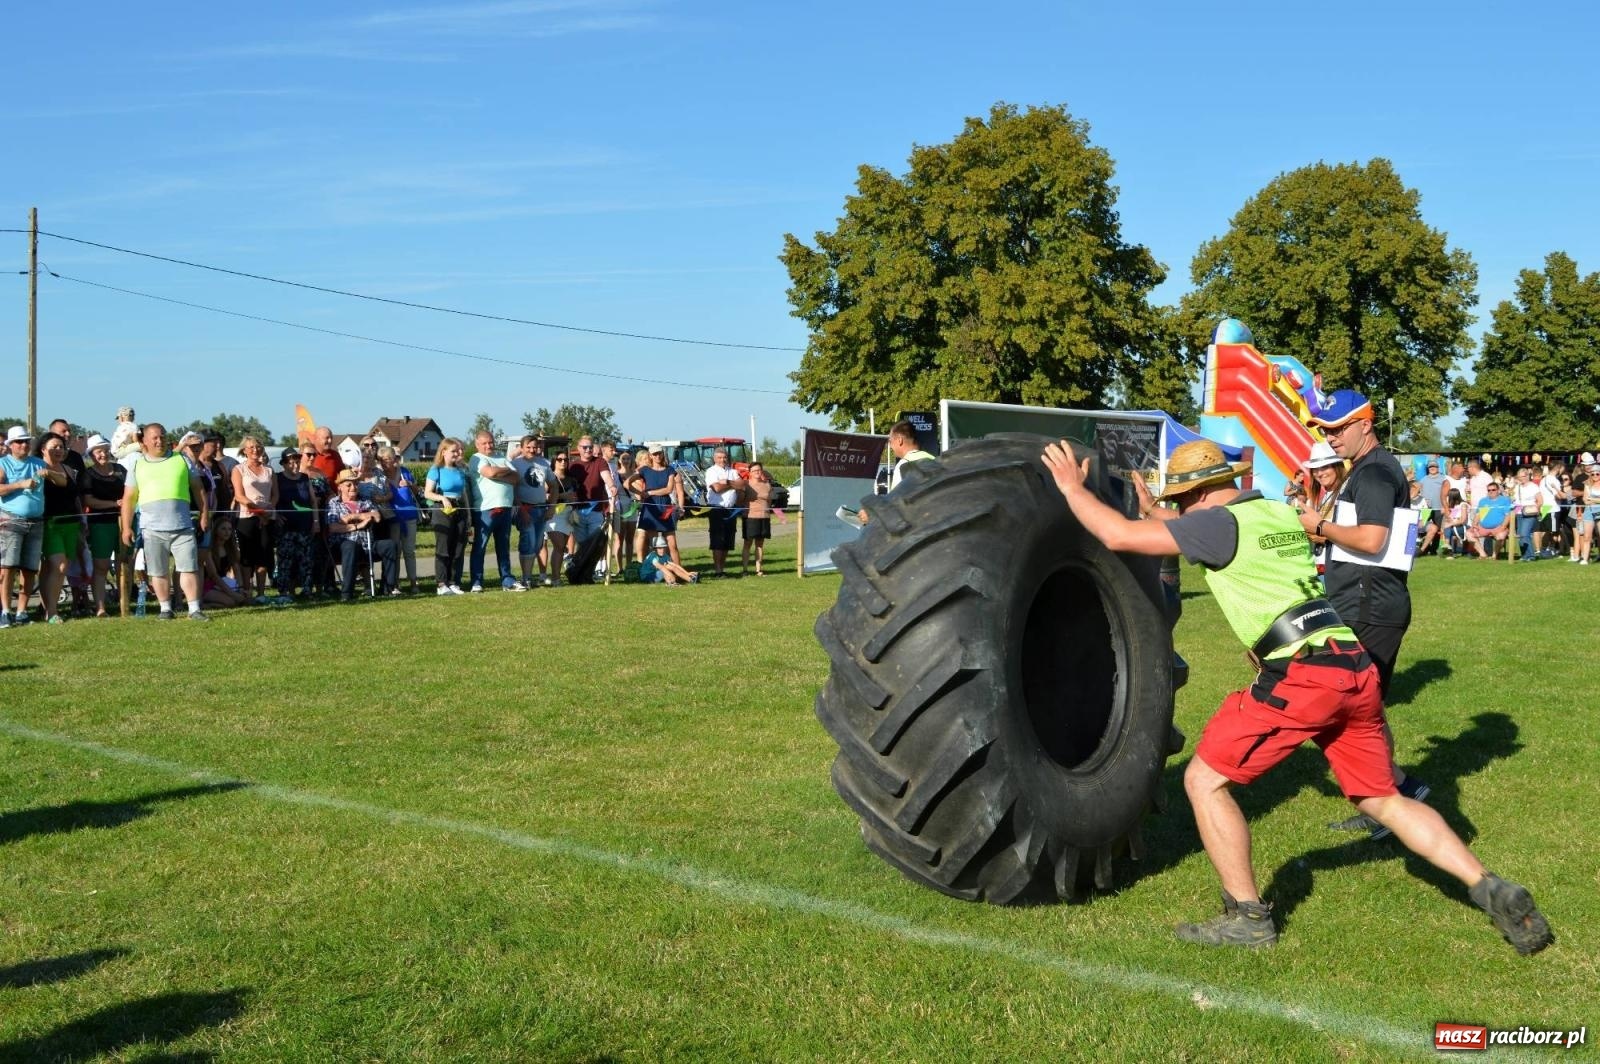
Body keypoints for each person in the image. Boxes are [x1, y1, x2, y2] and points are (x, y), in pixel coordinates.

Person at [1041, 437, 1552, 954]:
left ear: (1192, 495)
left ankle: (1247, 916)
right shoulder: (1275, 512)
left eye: (1178, 501)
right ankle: (1489, 886)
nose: (1177, 509)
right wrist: (1160, 513)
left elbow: (1118, 535)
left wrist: (1070, 487)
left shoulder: (1216, 525)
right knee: (1382, 798)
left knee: (1203, 781)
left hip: (1304, 677)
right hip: (1351, 664)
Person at [1300, 391, 1429, 838]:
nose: (1330, 438)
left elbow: (1373, 540)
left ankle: (1397, 795)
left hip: (1370, 608)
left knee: (1351, 711)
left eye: (1337, 428)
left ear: (1365, 425)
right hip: (1368, 604)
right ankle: (1389, 800)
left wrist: (1318, 526)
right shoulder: (1372, 468)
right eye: (1325, 429)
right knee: (1364, 711)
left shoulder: (1373, 472)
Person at [120, 423, 210, 621]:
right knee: (158, 571)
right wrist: (126, 527)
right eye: (154, 437)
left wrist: (204, 515)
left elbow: (198, 489)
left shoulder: (182, 460)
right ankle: (165, 609)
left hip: (183, 525)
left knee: (189, 567)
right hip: (151, 528)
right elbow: (128, 498)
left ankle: (194, 609)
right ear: (144, 441)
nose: (159, 441)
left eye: (162, 436)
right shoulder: (137, 464)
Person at [1, 425, 61, 627]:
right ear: (10, 445)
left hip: (36, 522)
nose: (24, 445)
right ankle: (6, 611)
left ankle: (22, 611)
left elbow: (62, 481)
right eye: (19, 441)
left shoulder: (38, 463)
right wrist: (20, 484)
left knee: (29, 569)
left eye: (27, 441)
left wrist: (50, 474)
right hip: (11, 520)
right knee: (8, 567)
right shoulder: (4, 464)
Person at [466, 431, 523, 592]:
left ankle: (507, 580)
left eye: (490, 442)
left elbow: (516, 478)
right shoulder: (476, 458)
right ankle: (477, 582)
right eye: (484, 443)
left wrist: (498, 472)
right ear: (477, 444)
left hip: (505, 508)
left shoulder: (501, 457)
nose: (488, 446)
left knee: (503, 547)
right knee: (480, 547)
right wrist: (502, 471)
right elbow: (489, 473)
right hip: (485, 509)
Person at [34, 432, 82, 624]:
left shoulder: (69, 469)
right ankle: (52, 612)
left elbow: (75, 497)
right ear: (43, 449)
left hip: (71, 524)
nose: (59, 450)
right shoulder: (37, 468)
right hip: (49, 524)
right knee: (59, 565)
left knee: (50, 568)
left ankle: (46, 608)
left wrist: (82, 523)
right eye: (54, 446)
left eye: (61, 446)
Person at [326, 469, 393, 601]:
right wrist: (358, 523)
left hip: (367, 544)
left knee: (390, 545)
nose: (353, 487)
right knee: (350, 546)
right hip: (343, 546)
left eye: (356, 484)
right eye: (348, 484)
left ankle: (388, 588)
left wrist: (351, 517)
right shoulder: (334, 502)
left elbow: (377, 517)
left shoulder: (365, 500)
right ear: (340, 487)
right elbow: (333, 527)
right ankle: (347, 593)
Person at [80, 435, 126, 616]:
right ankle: (100, 608)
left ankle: (125, 604)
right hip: (100, 524)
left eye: (105, 450)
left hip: (124, 522)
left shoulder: (120, 470)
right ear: (92, 455)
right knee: (101, 566)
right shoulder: (88, 475)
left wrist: (124, 504)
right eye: (98, 451)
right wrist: (115, 504)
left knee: (125, 564)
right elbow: (89, 500)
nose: (103, 454)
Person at [230, 436, 278, 602]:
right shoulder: (238, 469)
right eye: (250, 447)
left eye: (257, 447)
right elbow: (239, 495)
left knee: (264, 555)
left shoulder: (269, 471)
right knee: (247, 557)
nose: (255, 450)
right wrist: (257, 511)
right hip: (247, 517)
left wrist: (269, 509)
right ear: (244, 450)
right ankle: (247, 591)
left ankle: (262, 593)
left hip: (267, 518)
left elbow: (275, 494)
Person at [424, 437, 470, 595]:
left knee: (458, 547)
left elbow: (463, 493)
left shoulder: (461, 470)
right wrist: (442, 498)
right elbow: (427, 493)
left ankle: (454, 582)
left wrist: (468, 516)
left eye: (458, 451)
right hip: (442, 509)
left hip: (459, 508)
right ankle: (442, 583)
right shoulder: (435, 469)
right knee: (443, 547)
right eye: (453, 451)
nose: (457, 454)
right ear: (443, 452)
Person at [272, 449, 318, 601]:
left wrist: (316, 521)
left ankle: (307, 590)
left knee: (307, 559)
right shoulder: (278, 478)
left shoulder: (305, 478)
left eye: (297, 461)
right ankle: (285, 591)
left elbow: (312, 501)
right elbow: (273, 498)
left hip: (305, 525)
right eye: (290, 462)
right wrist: (275, 514)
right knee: (285, 560)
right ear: (284, 464)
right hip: (286, 527)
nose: (294, 464)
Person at [628, 444, 684, 568]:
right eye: (654, 454)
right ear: (650, 456)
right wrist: (640, 493)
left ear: (662, 454)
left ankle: (679, 571)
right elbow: (628, 483)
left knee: (672, 544)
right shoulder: (645, 470)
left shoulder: (670, 469)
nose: (657, 456)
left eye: (659, 453)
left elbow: (669, 489)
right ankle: (655, 570)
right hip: (650, 508)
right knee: (654, 544)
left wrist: (649, 492)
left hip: (666, 507)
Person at [509, 435, 553, 589]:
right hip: (525, 508)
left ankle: (529, 576)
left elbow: (553, 486)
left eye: (534, 447)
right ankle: (526, 578)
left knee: (538, 544)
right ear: (521, 447)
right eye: (528, 447)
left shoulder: (544, 464)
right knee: (528, 542)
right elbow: (513, 489)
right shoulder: (515, 465)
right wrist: (521, 509)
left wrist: (552, 507)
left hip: (541, 508)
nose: (532, 450)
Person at [1294, 442, 1345, 574]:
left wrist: (1324, 538)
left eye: (1325, 467)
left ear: (1337, 467)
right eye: (1315, 469)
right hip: (1322, 563)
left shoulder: (1347, 493)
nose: (1319, 473)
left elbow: (1357, 535)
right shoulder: (1323, 495)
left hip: (1340, 566)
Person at [379, 446, 420, 594]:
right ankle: (394, 583)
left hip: (409, 516)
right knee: (395, 552)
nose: (384, 463)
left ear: (393, 459)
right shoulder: (381, 477)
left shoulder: (405, 472)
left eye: (387, 460)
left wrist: (409, 484)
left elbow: (417, 490)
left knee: (409, 551)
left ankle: (413, 582)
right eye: (381, 461)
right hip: (392, 519)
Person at [542, 450, 581, 587]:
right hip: (554, 514)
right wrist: (562, 497)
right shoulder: (550, 477)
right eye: (559, 459)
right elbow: (543, 496)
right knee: (559, 546)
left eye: (565, 459)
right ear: (554, 461)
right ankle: (555, 578)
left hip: (568, 515)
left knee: (560, 548)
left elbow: (576, 496)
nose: (563, 461)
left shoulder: (572, 479)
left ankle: (555, 578)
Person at [704, 447, 741, 577]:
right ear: (714, 459)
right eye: (719, 457)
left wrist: (728, 482)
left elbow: (742, 486)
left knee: (728, 540)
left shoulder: (733, 471)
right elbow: (717, 488)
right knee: (718, 540)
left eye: (724, 457)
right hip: (717, 508)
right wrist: (732, 485)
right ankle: (718, 570)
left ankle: (723, 568)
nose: (722, 460)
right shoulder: (711, 471)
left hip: (731, 509)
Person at [735, 461, 775, 576]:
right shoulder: (746, 484)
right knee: (747, 544)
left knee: (760, 544)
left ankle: (758, 570)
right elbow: (740, 501)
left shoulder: (767, 485)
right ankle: (745, 570)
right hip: (750, 518)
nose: (757, 472)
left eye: (759, 470)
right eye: (754, 471)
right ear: (750, 472)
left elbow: (769, 501)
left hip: (764, 517)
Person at [1468, 482, 1513, 560]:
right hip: (1483, 527)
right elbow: (1479, 515)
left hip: (1498, 527)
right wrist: (1474, 524)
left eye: (1493, 490)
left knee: (1501, 536)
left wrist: (1503, 527)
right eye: (1489, 490)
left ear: (1498, 491)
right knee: (1468, 534)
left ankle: (1494, 555)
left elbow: (1508, 515)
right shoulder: (1483, 501)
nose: (1491, 492)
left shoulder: (1505, 500)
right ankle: (1483, 554)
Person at [886, 420, 935, 490]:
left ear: (900, 440)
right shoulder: (933, 459)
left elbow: (894, 499)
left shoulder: (903, 466)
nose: (890, 446)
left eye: (890, 441)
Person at [1512, 467, 1542, 561]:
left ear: (1527, 476)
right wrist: (1515, 512)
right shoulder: (1517, 487)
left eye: (1523, 476)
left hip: (1530, 513)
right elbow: (1515, 500)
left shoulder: (1534, 486)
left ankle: (1531, 555)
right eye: (1519, 477)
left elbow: (1540, 501)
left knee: (1525, 533)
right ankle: (1524, 555)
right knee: (1521, 535)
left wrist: (1535, 509)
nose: (1521, 478)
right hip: (1519, 513)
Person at [1418, 459, 1447, 555]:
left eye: (1434, 466)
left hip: (1439, 508)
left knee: (1437, 529)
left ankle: (1433, 550)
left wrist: (1445, 506)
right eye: (1430, 467)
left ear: (1438, 468)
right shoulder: (1423, 479)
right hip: (1426, 509)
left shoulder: (1444, 479)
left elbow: (1446, 493)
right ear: (1428, 468)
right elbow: (1419, 491)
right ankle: (1424, 548)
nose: (1432, 468)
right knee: (1424, 528)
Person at [1442, 489, 1468, 558]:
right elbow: (1451, 518)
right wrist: (1446, 514)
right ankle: (1449, 550)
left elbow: (1463, 520)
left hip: (1465, 527)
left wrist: (1451, 523)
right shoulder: (1455, 506)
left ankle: (1448, 547)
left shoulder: (1463, 505)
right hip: (1456, 526)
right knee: (1447, 527)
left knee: (1448, 528)